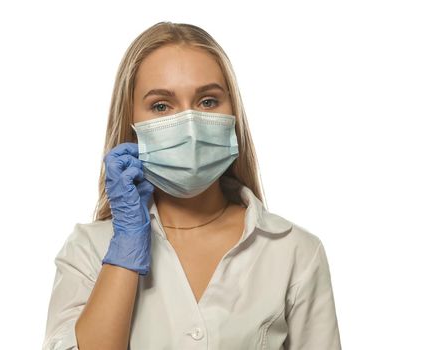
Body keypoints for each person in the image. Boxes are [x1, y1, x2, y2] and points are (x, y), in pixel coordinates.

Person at [42, 21, 342, 350]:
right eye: (161, 106)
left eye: (208, 101)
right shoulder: (88, 250)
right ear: (132, 124)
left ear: (233, 114)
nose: (190, 126)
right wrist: (126, 247)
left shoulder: (294, 251)